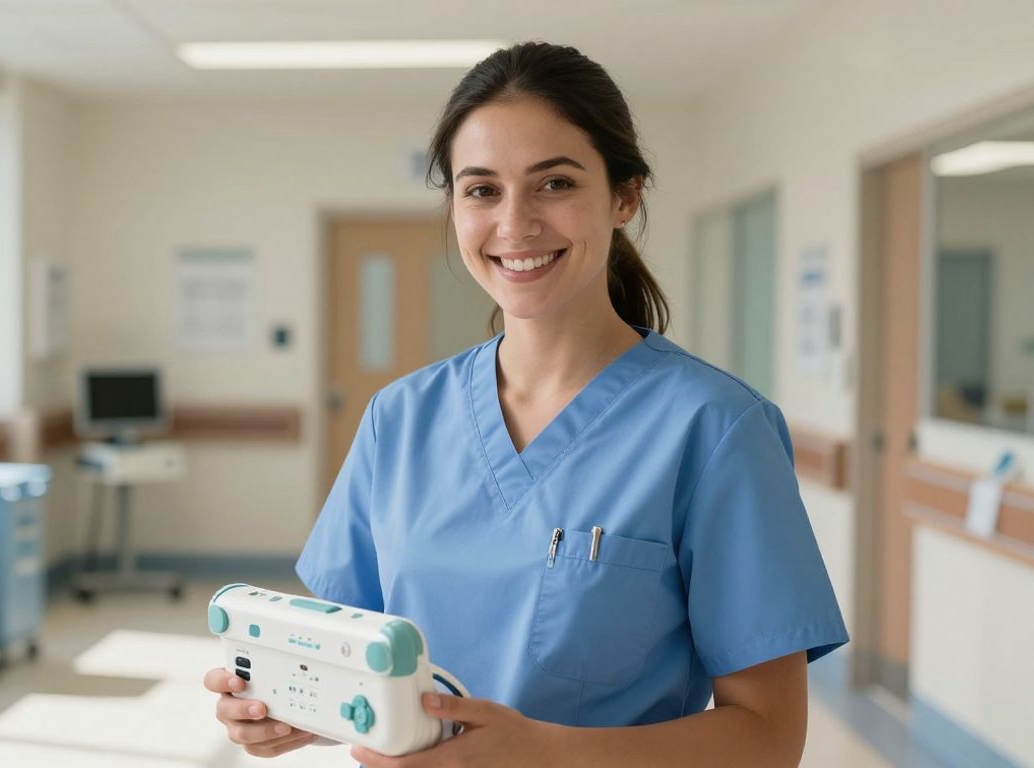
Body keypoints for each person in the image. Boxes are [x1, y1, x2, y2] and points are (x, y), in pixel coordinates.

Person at [204, 41, 848, 766]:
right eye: (481, 190)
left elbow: (767, 737)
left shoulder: (715, 429)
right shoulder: (400, 419)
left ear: (625, 196)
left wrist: (544, 753)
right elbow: (365, 671)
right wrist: (291, 710)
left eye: (554, 184)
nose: (515, 224)